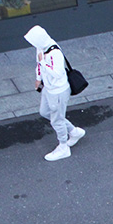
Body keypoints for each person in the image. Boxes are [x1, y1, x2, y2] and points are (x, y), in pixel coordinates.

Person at [24, 25, 85, 161]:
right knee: (45, 112)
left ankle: (63, 147)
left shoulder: (54, 52)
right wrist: (38, 78)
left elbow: (57, 73)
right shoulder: (41, 47)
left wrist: (43, 63)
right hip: (49, 88)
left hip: (58, 91)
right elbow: (38, 65)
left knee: (56, 120)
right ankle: (74, 132)